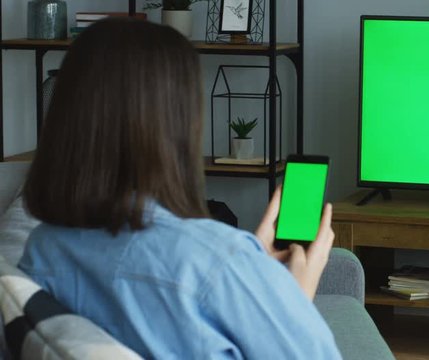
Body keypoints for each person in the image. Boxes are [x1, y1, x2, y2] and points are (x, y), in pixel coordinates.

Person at [18, 18, 341, 359]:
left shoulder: (40, 251)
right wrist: (293, 298)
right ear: (176, 127)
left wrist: (251, 265)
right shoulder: (212, 261)